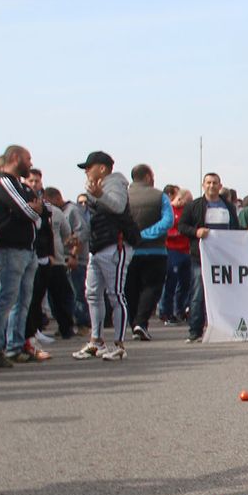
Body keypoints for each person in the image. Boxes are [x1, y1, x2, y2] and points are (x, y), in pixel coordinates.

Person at [70, 151, 132, 362]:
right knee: (93, 294)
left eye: (89, 166)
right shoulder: (93, 190)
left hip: (116, 245)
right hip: (97, 246)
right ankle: (96, 341)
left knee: (115, 294)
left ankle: (119, 344)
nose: (86, 171)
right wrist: (79, 238)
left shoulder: (116, 183)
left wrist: (99, 195)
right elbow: (93, 220)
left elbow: (118, 206)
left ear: (102, 168)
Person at [0, 145, 42, 365]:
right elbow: (28, 211)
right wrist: (32, 209)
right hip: (11, 250)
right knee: (7, 299)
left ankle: (15, 346)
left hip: (28, 249)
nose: (30, 163)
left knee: (23, 301)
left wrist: (34, 209)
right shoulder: (3, 181)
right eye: (28, 159)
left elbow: (41, 210)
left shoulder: (20, 184)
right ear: (16, 158)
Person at [180, 172, 241, 343]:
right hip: (200, 257)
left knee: (224, 293)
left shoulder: (228, 206)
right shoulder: (194, 206)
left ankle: (223, 328)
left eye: (215, 183)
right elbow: (182, 227)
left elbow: (235, 229)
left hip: (224, 258)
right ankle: (195, 331)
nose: (211, 186)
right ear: (203, 185)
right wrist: (196, 232)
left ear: (220, 186)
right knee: (198, 293)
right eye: (208, 182)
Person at [23, 168, 74, 355]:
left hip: (53, 259)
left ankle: (65, 328)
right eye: (30, 180)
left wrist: (60, 253)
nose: (34, 184)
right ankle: (32, 332)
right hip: (31, 256)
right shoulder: (21, 203)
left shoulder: (52, 211)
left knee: (60, 295)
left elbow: (61, 235)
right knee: (33, 298)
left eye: (37, 181)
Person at [124, 163, 175, 342]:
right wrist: (146, 235)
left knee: (131, 289)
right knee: (152, 288)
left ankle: (134, 324)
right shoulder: (160, 196)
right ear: (147, 177)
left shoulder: (123, 196)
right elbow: (168, 221)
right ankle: (141, 323)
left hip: (129, 251)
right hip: (156, 251)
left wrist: (133, 237)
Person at [159, 188, 192, 323]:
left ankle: (180, 310)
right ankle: (165, 311)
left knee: (185, 283)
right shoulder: (169, 210)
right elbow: (165, 228)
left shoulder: (187, 211)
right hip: (172, 250)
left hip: (186, 250)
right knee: (170, 283)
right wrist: (176, 234)